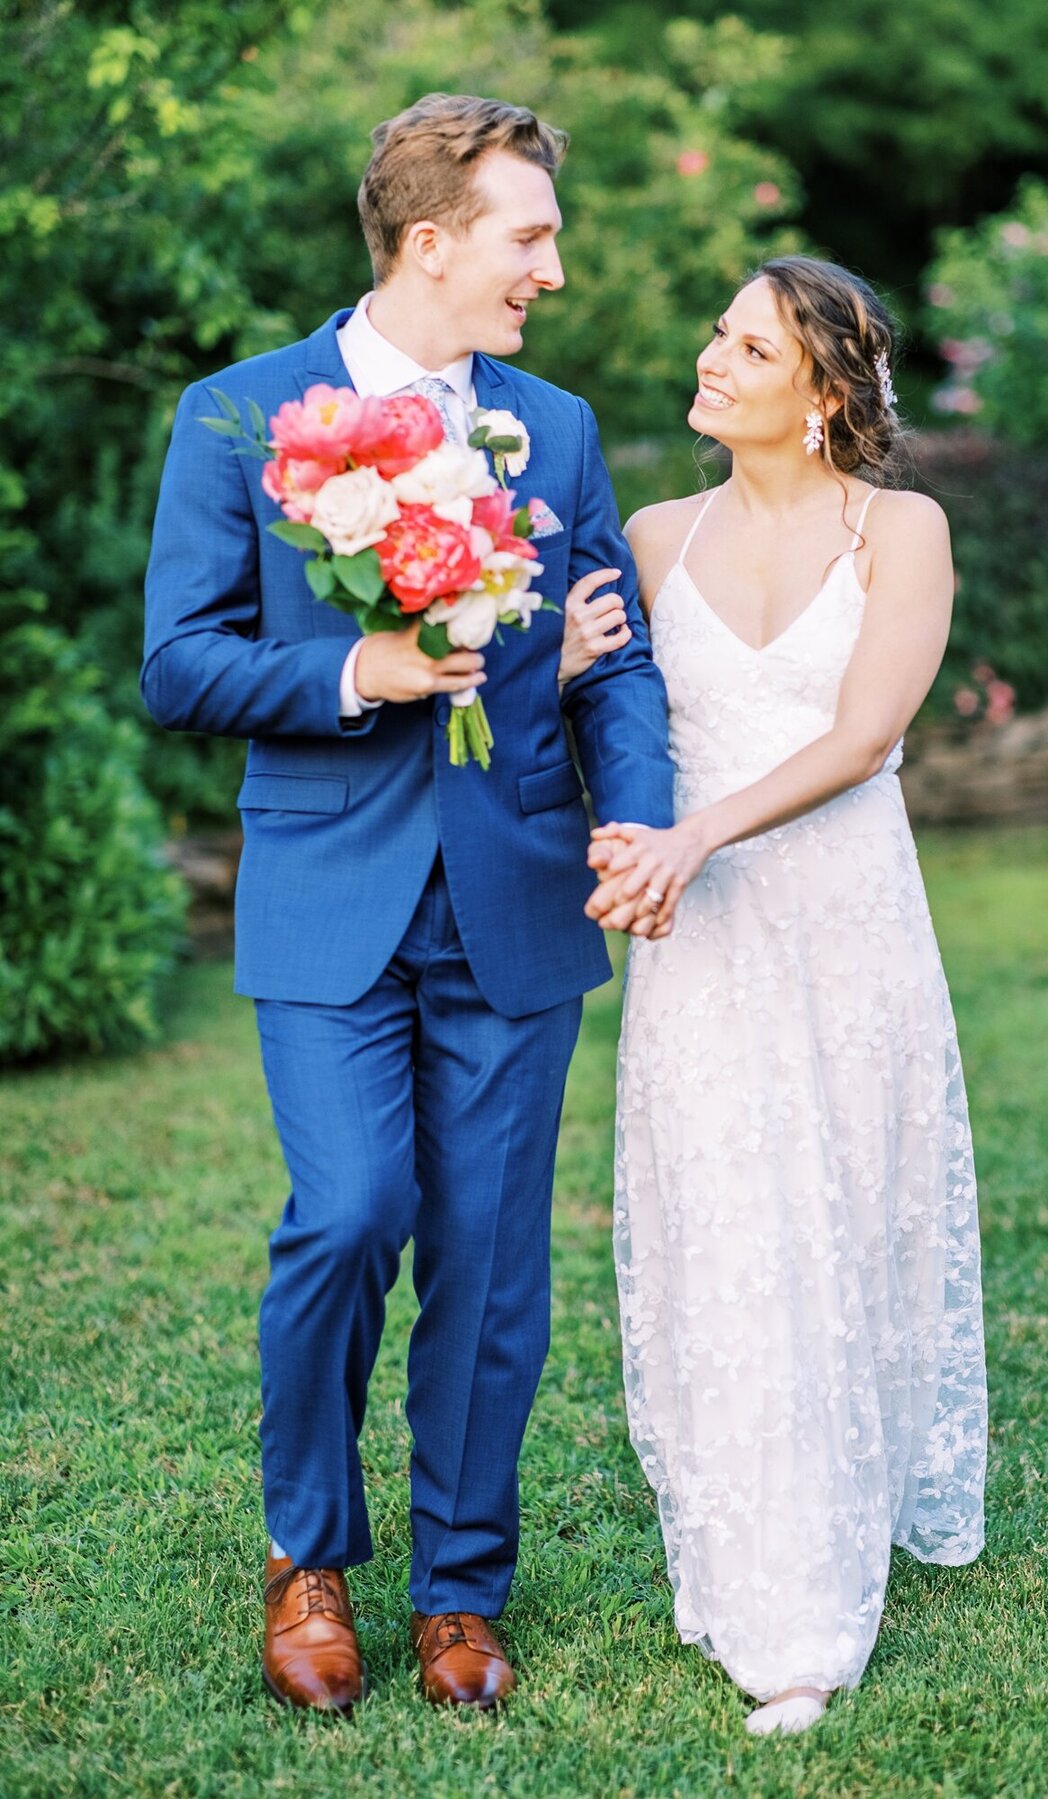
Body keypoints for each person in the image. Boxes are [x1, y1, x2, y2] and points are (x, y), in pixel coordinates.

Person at [142, 93, 673, 1715]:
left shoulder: (556, 427)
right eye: (531, 237)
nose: (554, 272)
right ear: (430, 242)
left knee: (496, 1264)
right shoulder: (241, 419)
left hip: (515, 888)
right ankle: (308, 1555)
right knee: (351, 1213)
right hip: (325, 894)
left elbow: (614, 653)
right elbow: (180, 662)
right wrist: (358, 666)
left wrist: (638, 818)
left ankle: (459, 1589)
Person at [567, 257, 988, 1736]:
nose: (711, 356)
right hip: (706, 939)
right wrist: (628, 840)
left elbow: (867, 736)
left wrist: (694, 833)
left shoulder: (903, 530)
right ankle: (767, 1575)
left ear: (821, 395)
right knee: (729, 1223)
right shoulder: (654, 534)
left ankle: (826, 1550)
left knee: (840, 1216)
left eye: (748, 345)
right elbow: (610, 730)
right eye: (717, 334)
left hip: (842, 923)